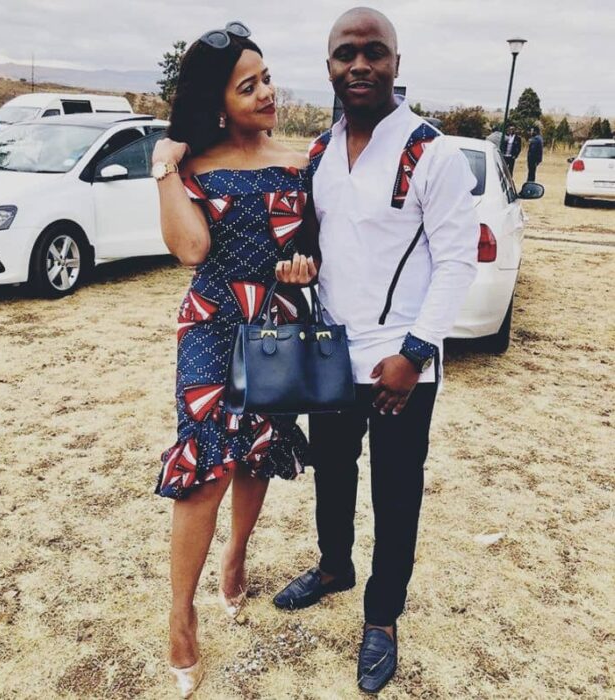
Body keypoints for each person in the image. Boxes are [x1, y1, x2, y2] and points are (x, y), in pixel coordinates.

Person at [274, 8, 479, 694]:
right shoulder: (320, 152)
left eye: (373, 52)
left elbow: (456, 262)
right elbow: (317, 244)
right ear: (329, 66)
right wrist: (299, 265)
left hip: (401, 364)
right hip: (334, 354)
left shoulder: (432, 152)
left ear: (395, 63)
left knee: (395, 493)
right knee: (332, 474)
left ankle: (383, 617)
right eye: (345, 53)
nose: (358, 65)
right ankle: (334, 567)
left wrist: (415, 354)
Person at [151, 22, 317, 698]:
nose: (267, 93)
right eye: (248, 87)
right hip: (212, 325)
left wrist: (305, 267)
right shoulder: (190, 165)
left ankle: (238, 553)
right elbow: (191, 250)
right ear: (217, 102)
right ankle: (180, 613)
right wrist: (164, 166)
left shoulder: (301, 162)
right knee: (203, 466)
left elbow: (313, 246)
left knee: (258, 449)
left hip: (276, 324)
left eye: (266, 79)